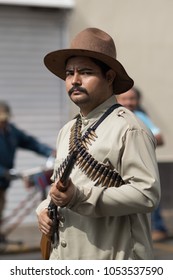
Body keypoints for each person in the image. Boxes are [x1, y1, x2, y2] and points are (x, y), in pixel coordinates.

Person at [36, 27, 160, 260]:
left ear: (109, 77)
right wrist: (43, 209)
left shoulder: (129, 128)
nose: (75, 80)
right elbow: (57, 188)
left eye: (86, 72)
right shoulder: (68, 130)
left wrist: (80, 196)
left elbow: (147, 194)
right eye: (69, 73)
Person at [0, 101, 55, 245]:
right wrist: (3, 172)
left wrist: (50, 152)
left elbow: (31, 143)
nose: (3, 122)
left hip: (3, 184)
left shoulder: (11, 132)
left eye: (5, 119)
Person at [116, 87, 167, 242]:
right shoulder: (114, 117)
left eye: (132, 99)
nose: (129, 102)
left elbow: (160, 138)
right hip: (120, 167)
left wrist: (138, 138)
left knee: (148, 194)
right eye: (124, 99)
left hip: (142, 165)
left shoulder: (139, 117)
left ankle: (158, 227)